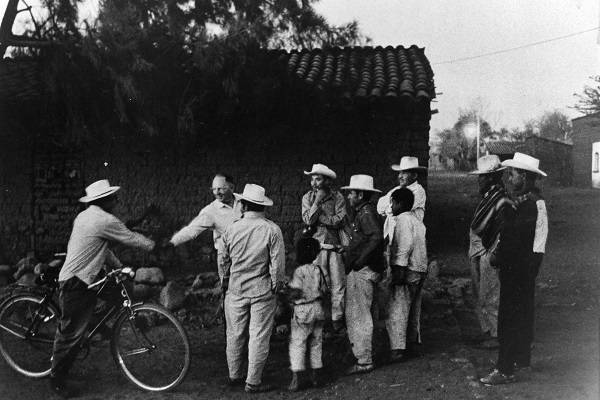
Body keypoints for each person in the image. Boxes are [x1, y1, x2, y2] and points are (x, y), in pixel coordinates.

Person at [49, 180, 156, 399]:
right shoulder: (104, 219)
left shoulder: (85, 216)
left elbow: (102, 249)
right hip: (75, 282)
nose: (115, 201)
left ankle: (95, 324)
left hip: (88, 278)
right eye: (112, 198)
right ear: (104, 201)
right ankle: (56, 379)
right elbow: (131, 238)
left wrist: (120, 268)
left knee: (117, 292)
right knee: (70, 333)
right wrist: (157, 245)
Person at [480, 153, 548, 385]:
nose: (509, 178)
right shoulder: (533, 200)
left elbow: (514, 239)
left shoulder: (527, 205)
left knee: (509, 318)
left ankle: (505, 369)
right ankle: (522, 359)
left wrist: (498, 256)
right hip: (528, 266)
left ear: (525, 176)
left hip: (517, 266)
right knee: (523, 314)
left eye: (513, 174)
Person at [220, 184, 285, 393]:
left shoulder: (231, 229)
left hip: (236, 289)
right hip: (262, 290)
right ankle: (253, 381)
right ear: (261, 206)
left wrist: (224, 281)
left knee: (235, 333)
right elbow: (278, 264)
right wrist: (276, 285)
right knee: (259, 335)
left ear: (244, 204)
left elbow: (222, 260)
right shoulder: (272, 230)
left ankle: (234, 375)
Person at [468, 155, 514, 350]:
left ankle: (495, 334)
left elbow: (503, 229)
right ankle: (486, 329)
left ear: (493, 177)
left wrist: (496, 252)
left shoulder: (502, 199)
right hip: (479, 250)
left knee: (491, 293)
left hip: (491, 250)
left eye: (483, 176)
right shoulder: (489, 197)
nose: (480, 179)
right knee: (479, 292)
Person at [341, 174, 385, 375]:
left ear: (360, 194)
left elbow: (376, 238)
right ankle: (369, 353)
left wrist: (359, 260)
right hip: (367, 269)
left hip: (363, 270)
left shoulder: (366, 213)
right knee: (367, 313)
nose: (349, 197)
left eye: (351, 193)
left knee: (359, 315)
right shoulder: (364, 212)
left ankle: (364, 360)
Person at [167, 174, 242, 284]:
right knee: (230, 288)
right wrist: (173, 242)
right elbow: (191, 230)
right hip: (228, 257)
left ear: (232, 187)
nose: (217, 192)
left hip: (248, 254)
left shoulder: (244, 202)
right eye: (214, 189)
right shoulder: (211, 211)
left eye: (220, 188)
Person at [301, 163, 347, 334]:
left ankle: (337, 320)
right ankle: (317, 319)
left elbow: (339, 220)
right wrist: (318, 201)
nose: (314, 183)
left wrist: (321, 218)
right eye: (312, 179)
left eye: (318, 179)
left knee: (338, 284)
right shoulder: (308, 198)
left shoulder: (338, 198)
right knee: (317, 284)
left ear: (327, 181)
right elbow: (308, 220)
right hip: (317, 247)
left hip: (334, 247)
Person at [385, 188, 428, 363]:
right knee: (413, 309)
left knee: (397, 309)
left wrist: (399, 270)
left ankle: (397, 350)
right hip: (420, 269)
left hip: (407, 269)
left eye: (393, 202)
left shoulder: (402, 220)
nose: (391, 206)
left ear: (400, 204)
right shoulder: (417, 221)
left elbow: (405, 246)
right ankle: (413, 344)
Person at [283, 237, 329, 392]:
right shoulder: (319, 269)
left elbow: (296, 291)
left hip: (303, 309)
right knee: (316, 342)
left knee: (298, 343)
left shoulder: (299, 271)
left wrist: (287, 296)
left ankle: (296, 380)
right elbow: (325, 289)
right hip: (317, 307)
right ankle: (316, 377)